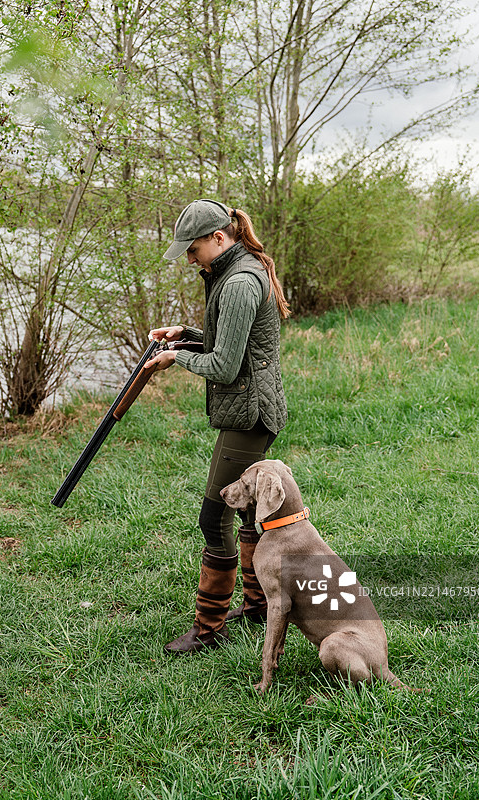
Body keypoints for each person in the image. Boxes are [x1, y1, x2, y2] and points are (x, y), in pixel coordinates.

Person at [147, 198, 290, 653]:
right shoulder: (232, 272)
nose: (189, 260)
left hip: (250, 414)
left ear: (218, 238)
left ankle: (209, 630)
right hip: (251, 409)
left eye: (192, 250)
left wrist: (177, 358)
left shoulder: (240, 282)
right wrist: (185, 334)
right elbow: (231, 340)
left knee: (215, 517)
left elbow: (226, 366)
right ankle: (257, 606)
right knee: (249, 512)